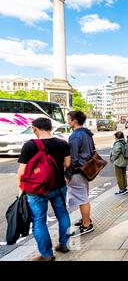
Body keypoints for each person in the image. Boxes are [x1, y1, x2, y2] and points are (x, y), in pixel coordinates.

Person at [17, 118, 71, 261]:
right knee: (62, 214)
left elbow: (21, 172)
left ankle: (47, 255)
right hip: (59, 186)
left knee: (39, 221)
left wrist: (21, 189)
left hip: (37, 190)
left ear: (35, 129)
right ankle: (64, 244)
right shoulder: (62, 143)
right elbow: (67, 164)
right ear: (50, 128)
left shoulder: (30, 145)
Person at [66, 110, 95, 236]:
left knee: (82, 199)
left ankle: (87, 225)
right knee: (83, 196)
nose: (67, 122)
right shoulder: (87, 133)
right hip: (86, 169)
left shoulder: (75, 136)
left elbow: (73, 158)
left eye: (69, 120)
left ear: (74, 121)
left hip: (78, 170)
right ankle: (85, 219)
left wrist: (67, 174)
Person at [110, 131, 128, 196]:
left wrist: (112, 158)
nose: (114, 138)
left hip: (118, 162)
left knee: (119, 176)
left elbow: (116, 152)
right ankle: (125, 188)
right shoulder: (124, 142)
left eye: (115, 137)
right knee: (123, 174)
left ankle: (122, 189)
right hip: (124, 161)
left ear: (117, 137)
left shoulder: (118, 143)